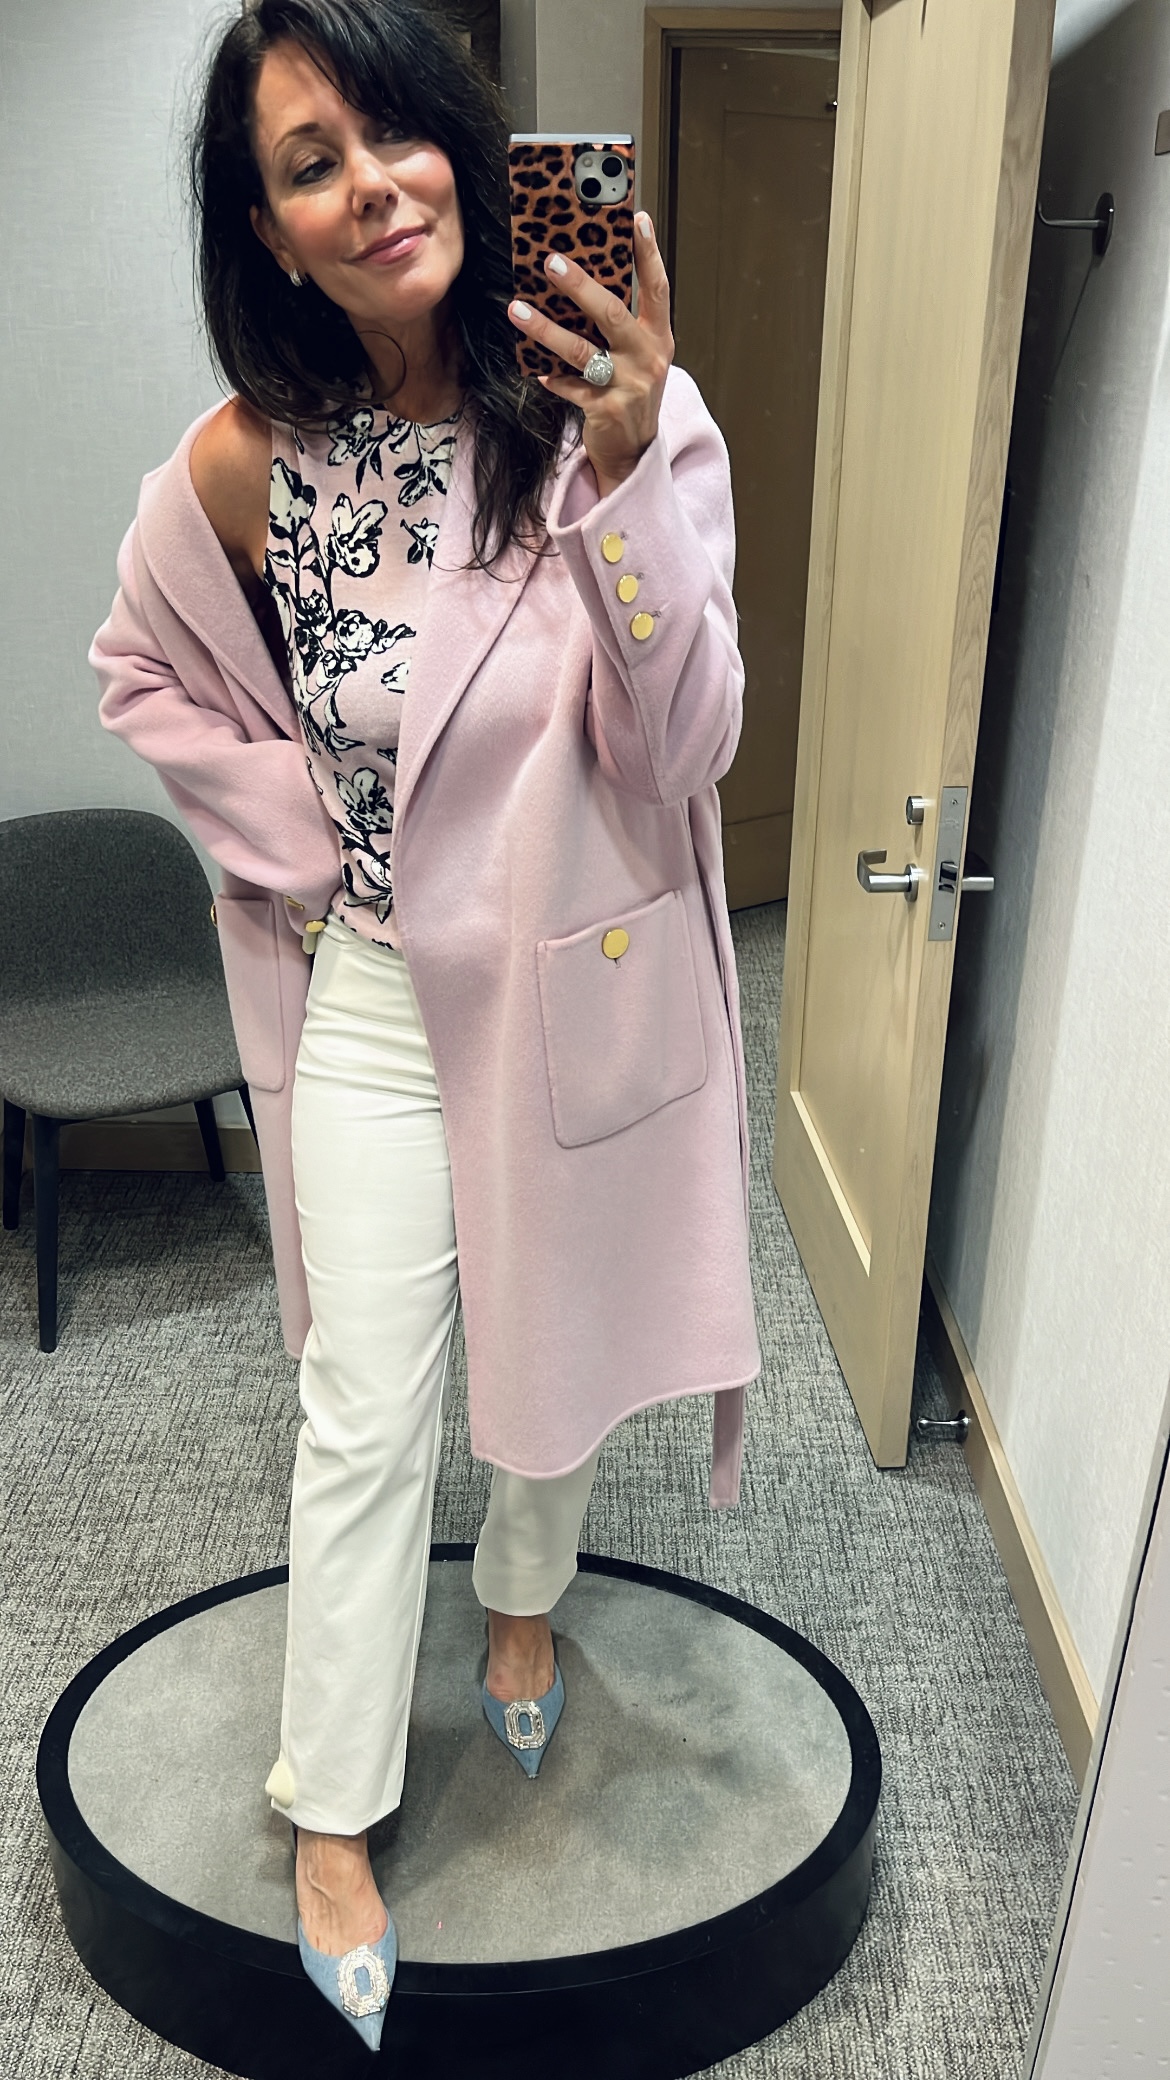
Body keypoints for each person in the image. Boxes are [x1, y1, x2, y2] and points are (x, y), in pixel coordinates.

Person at [90, 0, 760, 2051]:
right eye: (311, 162)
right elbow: (143, 674)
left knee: (555, 1348)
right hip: (377, 985)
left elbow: (690, 743)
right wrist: (306, 833)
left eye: (396, 132)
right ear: (269, 229)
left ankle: (526, 1603)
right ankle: (334, 1805)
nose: (373, 186)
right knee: (362, 1401)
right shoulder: (244, 463)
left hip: (576, 974)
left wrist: (628, 476)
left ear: (465, 147)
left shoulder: (612, 410)